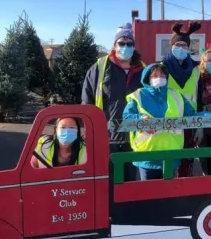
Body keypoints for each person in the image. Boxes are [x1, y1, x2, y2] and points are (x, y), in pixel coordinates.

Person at [81, 23, 145, 180]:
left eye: (129, 44)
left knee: (130, 182)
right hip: (107, 137)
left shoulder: (142, 69)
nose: (125, 47)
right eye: (121, 43)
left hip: (134, 136)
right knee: (106, 182)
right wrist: (90, 129)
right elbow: (87, 99)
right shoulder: (100, 67)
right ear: (114, 45)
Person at [123, 63, 196, 180]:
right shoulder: (138, 95)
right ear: (147, 78)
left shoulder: (176, 95)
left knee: (169, 194)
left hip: (171, 154)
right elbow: (127, 117)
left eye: (162, 75)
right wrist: (141, 119)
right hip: (147, 154)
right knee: (148, 194)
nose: (159, 77)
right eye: (155, 75)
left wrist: (210, 116)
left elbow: (191, 115)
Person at [162, 21, 203, 177]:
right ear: (172, 46)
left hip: (189, 122)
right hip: (168, 122)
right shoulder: (162, 67)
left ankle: (185, 188)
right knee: (169, 160)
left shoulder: (195, 69)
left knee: (187, 159)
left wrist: (199, 125)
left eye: (184, 45)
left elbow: (199, 97)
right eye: (178, 44)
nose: (181, 48)